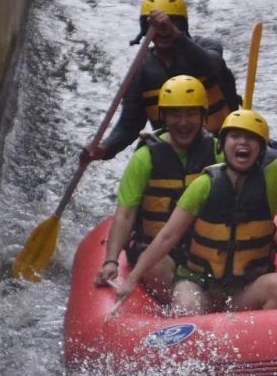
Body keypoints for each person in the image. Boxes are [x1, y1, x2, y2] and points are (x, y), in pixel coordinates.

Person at [114, 109, 277, 315]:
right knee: (186, 302)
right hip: (200, 284)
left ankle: (260, 340)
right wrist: (132, 278)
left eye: (251, 138)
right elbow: (168, 236)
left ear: (261, 149)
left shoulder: (271, 181)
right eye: (235, 136)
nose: (243, 142)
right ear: (222, 144)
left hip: (243, 290)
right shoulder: (203, 184)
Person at [94, 76, 221, 303]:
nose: (183, 122)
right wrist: (111, 260)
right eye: (175, 114)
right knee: (157, 265)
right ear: (163, 117)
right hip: (155, 250)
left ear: (203, 115)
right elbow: (125, 214)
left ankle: (200, 301)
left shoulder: (216, 152)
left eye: (191, 113)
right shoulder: (146, 157)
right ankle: (175, 310)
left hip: (201, 250)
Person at [84, 0, 241, 161]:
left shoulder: (207, 46)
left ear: (182, 25)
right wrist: (105, 148)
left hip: (221, 145)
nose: (162, 31)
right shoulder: (141, 70)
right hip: (175, 154)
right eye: (155, 27)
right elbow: (129, 125)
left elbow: (211, 65)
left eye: (172, 23)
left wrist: (174, 33)